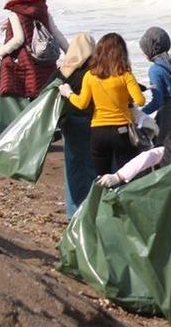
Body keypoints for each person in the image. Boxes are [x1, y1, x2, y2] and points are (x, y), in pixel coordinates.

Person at [58, 33, 146, 177]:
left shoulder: (90, 76)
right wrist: (125, 96)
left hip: (98, 131)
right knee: (125, 175)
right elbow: (140, 100)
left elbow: (82, 103)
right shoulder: (125, 75)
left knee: (101, 177)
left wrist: (68, 93)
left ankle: (103, 198)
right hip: (122, 131)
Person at [0, 0, 68, 99]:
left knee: (18, 85)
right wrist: (69, 52)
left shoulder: (15, 13)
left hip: (27, 62)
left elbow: (18, 40)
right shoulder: (43, 11)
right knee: (44, 94)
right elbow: (56, 33)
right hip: (47, 60)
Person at [53, 33, 97, 219]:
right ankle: (90, 209)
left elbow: (44, 94)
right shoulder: (94, 71)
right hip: (92, 123)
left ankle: (73, 212)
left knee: (72, 168)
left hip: (70, 125)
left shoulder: (63, 71)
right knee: (91, 167)